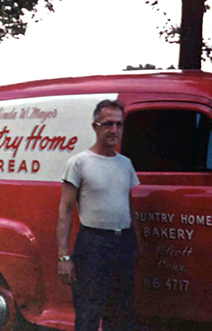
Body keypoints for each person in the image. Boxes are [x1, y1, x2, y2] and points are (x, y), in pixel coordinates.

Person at [57, 99, 140, 331]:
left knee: (121, 311)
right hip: (93, 244)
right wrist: (63, 257)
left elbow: (129, 205)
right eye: (108, 124)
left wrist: (137, 242)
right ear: (95, 127)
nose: (114, 130)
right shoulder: (79, 163)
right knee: (88, 311)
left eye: (119, 125)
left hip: (123, 243)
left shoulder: (126, 164)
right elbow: (65, 209)